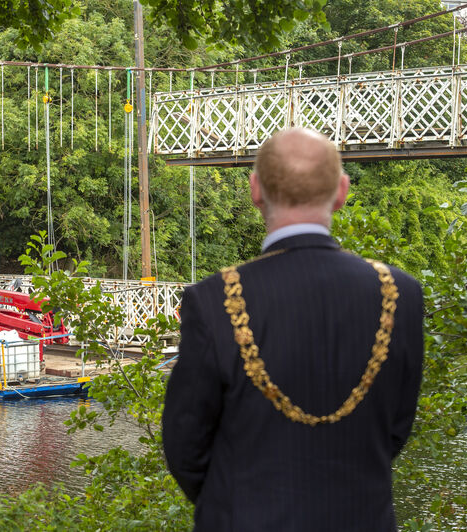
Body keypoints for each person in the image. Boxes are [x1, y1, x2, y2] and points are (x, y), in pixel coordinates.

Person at [162, 128, 423, 531]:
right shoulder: (400, 293)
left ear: (254, 190)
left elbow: (185, 446)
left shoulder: (213, 299)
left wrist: (240, 504)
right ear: (341, 191)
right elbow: (395, 430)